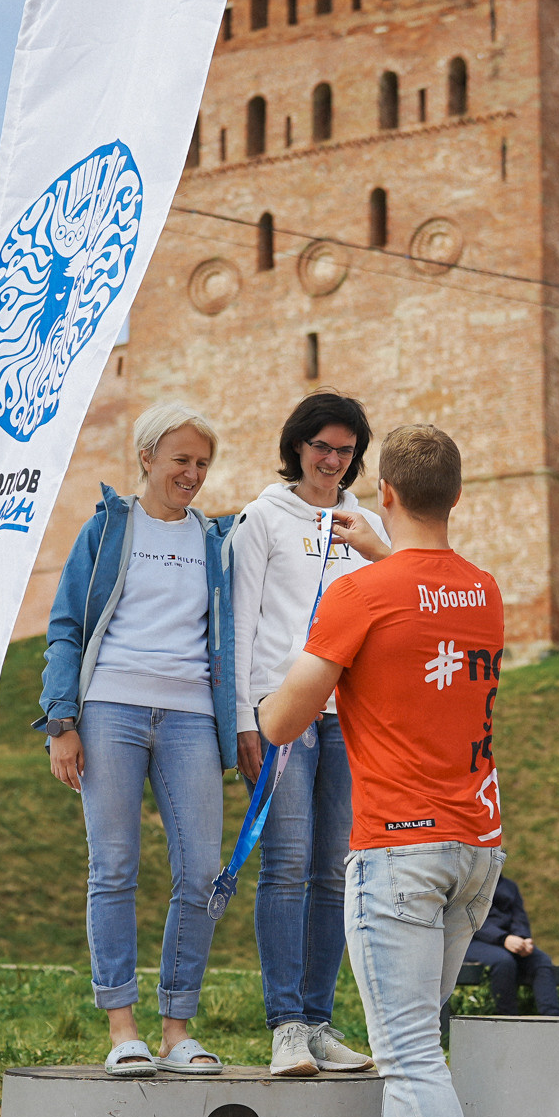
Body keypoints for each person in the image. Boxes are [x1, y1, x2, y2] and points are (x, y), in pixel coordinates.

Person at [258, 424, 506, 1117]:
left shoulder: (362, 593)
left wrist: (259, 692)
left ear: (385, 495)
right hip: (476, 845)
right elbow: (425, 603)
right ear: (455, 496)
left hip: (399, 848)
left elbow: (286, 720)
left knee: (407, 1060)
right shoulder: (483, 589)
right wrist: (386, 552)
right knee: (417, 1052)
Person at [38, 401, 237, 1080]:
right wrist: (61, 722)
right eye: (181, 459)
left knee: (201, 873)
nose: (193, 473)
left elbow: (230, 638)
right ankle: (123, 1027)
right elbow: (66, 625)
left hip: (190, 718)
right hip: (110, 708)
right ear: (147, 457)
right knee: (114, 867)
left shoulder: (216, 540)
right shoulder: (107, 528)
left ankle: (178, 1028)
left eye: (203, 463)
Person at [233, 393, 386, 1078]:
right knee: (287, 866)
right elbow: (239, 622)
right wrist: (242, 718)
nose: (332, 461)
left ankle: (320, 1023)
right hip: (282, 711)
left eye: (346, 451)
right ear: (297, 446)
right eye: (321, 447)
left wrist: (376, 549)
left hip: (349, 718)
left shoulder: (368, 525)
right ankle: (285, 1026)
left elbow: (401, 607)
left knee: (334, 874)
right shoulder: (261, 518)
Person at [464, 875, 559, 1017]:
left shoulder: (510, 886)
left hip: (509, 941)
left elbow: (519, 917)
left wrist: (523, 939)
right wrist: (503, 938)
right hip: (473, 941)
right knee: (504, 962)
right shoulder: (465, 884)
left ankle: (553, 1021)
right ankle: (509, 1021)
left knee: (542, 961)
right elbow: (469, 918)